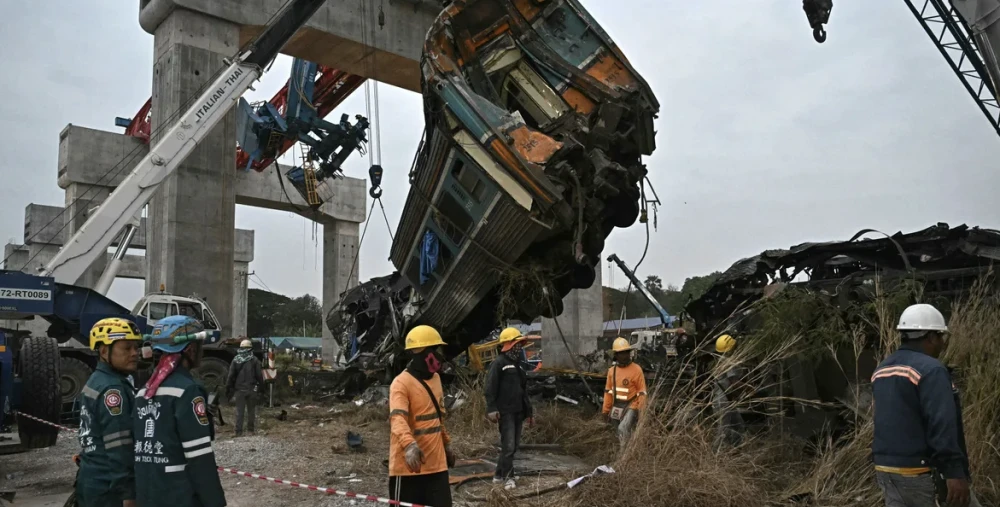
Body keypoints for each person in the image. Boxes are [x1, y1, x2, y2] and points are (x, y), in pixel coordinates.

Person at [872, 303, 981, 507]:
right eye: (940, 336)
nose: (942, 343)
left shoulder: (882, 370)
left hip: (886, 469)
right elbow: (942, 424)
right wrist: (954, 472)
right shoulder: (932, 370)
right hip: (921, 472)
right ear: (930, 337)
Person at [133, 315, 227, 507]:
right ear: (190, 349)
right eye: (199, 345)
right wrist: (214, 502)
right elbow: (199, 456)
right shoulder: (188, 391)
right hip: (178, 496)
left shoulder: (143, 392)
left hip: (147, 495)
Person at [75, 317, 142, 507]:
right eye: (127, 348)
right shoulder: (113, 390)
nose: (134, 353)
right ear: (104, 350)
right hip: (109, 489)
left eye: (136, 347)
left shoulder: (96, 380)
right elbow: (119, 447)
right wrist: (128, 493)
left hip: (91, 480)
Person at [388, 325, 455, 507]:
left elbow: (437, 419)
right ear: (420, 353)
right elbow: (397, 419)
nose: (438, 354)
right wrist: (410, 446)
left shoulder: (436, 380)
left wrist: (446, 444)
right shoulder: (401, 383)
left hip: (437, 466)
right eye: (434, 349)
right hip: (409, 468)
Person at [485, 327, 534, 490]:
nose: (519, 347)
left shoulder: (519, 365)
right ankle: (508, 478)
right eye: (517, 344)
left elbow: (523, 391)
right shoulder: (499, 363)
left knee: (512, 446)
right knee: (509, 446)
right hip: (505, 413)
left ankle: (499, 475)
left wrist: (529, 412)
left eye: (520, 344)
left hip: (518, 412)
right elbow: (490, 388)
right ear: (508, 345)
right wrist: (491, 409)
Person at [602, 337, 647, 447]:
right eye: (621, 353)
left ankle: (624, 457)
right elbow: (608, 392)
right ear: (616, 355)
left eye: (626, 352)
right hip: (617, 405)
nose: (624, 355)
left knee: (622, 428)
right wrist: (605, 411)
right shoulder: (612, 371)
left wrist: (642, 411)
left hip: (632, 405)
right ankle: (627, 448)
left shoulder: (636, 369)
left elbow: (642, 392)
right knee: (617, 431)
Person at [711, 333, 746, 449]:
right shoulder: (729, 363)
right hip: (724, 402)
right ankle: (716, 455)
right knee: (723, 431)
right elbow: (734, 383)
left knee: (739, 426)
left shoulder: (719, 362)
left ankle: (736, 451)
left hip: (723, 401)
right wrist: (751, 388)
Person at [226, 339, 263, 436]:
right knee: (251, 411)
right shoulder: (255, 360)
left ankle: (238, 432)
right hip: (252, 389)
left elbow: (230, 376)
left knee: (239, 411)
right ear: (250, 348)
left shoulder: (236, 359)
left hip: (239, 390)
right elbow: (259, 376)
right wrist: (261, 388)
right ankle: (250, 431)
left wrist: (228, 388)